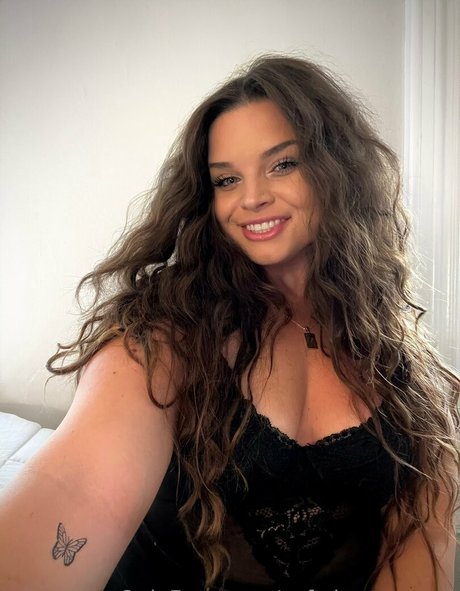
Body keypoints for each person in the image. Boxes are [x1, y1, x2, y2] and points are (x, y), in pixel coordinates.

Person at [0, 55, 458, 591]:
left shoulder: (401, 364)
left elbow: (421, 539)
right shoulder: (163, 340)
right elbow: (75, 486)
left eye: (282, 164)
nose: (252, 197)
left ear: (338, 170)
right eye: (227, 179)